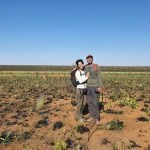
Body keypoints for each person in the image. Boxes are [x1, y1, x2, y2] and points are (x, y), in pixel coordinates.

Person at [84, 55, 103, 125]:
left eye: (90, 58)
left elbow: (99, 76)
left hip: (95, 86)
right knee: (89, 102)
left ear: (92, 59)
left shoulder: (96, 66)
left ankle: (97, 118)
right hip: (88, 86)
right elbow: (79, 68)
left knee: (95, 102)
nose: (89, 59)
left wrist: (100, 86)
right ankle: (92, 116)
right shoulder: (85, 66)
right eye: (87, 59)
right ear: (86, 60)